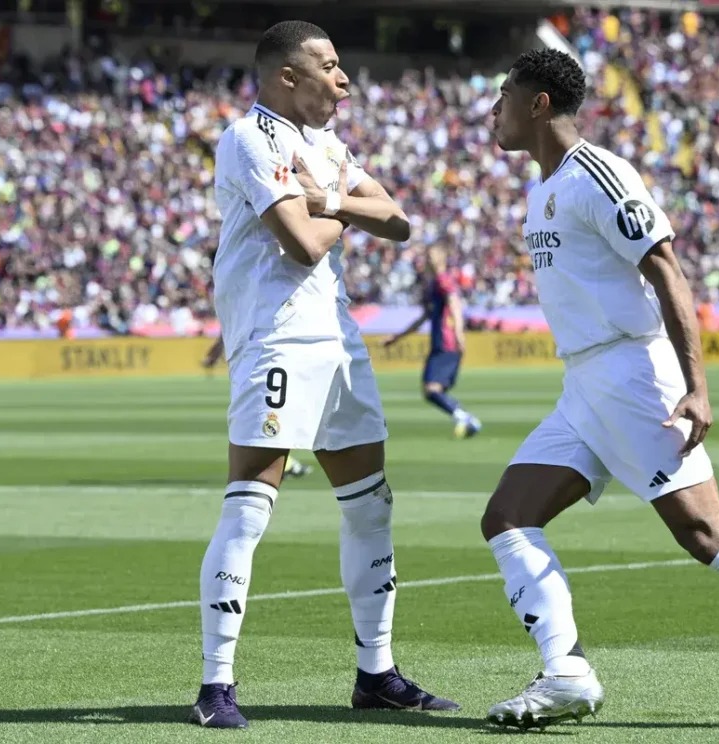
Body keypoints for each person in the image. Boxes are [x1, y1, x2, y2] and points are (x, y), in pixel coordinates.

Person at [480, 49, 719, 734]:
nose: (494, 110)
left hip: (635, 376)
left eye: (505, 95)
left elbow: (667, 271)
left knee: (706, 534)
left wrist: (697, 387)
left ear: (539, 104)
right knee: (508, 517)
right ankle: (566, 673)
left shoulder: (598, 175)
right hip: (584, 386)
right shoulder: (541, 189)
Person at [191, 20, 458, 729]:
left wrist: (331, 197)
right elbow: (305, 245)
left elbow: (398, 220)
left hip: (339, 340)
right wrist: (338, 208)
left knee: (371, 505)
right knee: (249, 509)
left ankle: (377, 674)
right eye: (331, 66)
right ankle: (216, 686)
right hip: (275, 336)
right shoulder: (249, 138)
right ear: (288, 75)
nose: (344, 80)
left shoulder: (329, 148)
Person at [384, 244, 481, 438]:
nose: (427, 260)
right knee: (431, 390)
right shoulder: (433, 285)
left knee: (431, 389)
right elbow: (423, 318)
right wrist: (397, 337)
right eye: (426, 256)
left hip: (447, 342)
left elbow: (455, 305)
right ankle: (463, 417)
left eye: (431, 256)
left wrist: (459, 334)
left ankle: (465, 418)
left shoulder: (444, 280)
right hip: (440, 343)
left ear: (440, 259)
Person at [201, 336, 314, 479]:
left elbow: (223, 335)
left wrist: (214, 354)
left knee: (267, 417)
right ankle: (280, 464)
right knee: (266, 418)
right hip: (259, 362)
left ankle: (282, 464)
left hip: (261, 360)